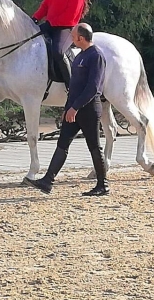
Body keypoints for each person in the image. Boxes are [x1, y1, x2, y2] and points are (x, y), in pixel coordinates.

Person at [24, 23, 109, 196]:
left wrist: (75, 107)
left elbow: (93, 88)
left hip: (89, 109)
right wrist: (68, 107)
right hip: (73, 110)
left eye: (73, 36)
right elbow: (74, 87)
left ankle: (103, 185)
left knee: (94, 146)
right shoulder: (79, 57)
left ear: (81, 38)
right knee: (62, 144)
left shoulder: (96, 56)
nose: (70, 38)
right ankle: (48, 181)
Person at [31, 0, 91, 89]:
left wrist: (51, 23)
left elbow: (71, 15)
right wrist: (35, 18)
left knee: (58, 52)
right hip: (50, 25)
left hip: (66, 28)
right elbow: (45, 5)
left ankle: (72, 86)